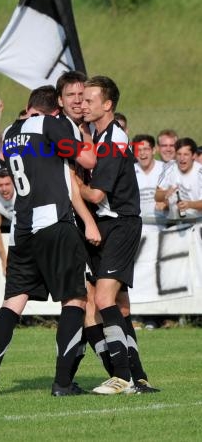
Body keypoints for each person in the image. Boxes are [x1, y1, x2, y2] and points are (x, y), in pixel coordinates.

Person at [0, 85, 96, 398]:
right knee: (74, 299)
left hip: (20, 228)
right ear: (54, 109)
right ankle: (61, 383)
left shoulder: (9, 131)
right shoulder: (51, 124)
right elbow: (87, 160)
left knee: (12, 303)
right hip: (53, 222)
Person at [78, 75, 159, 395]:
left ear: (107, 105)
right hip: (110, 224)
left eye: (89, 100)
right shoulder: (99, 135)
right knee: (116, 305)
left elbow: (97, 196)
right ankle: (138, 377)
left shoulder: (114, 140)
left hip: (120, 224)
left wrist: (72, 185)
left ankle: (122, 376)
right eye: (81, 99)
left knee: (102, 300)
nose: (83, 104)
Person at [155, 137, 202, 217]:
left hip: (197, 223)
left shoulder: (199, 172)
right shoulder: (170, 167)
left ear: (193, 156)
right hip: (176, 221)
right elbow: (157, 195)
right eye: (179, 154)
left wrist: (189, 205)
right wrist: (165, 193)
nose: (182, 158)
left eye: (186, 154)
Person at [132, 134, 165, 221]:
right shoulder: (130, 172)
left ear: (153, 150)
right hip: (139, 226)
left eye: (146, 149)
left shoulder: (165, 169)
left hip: (163, 224)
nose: (142, 153)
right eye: (138, 150)